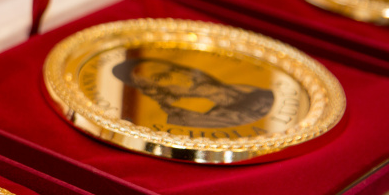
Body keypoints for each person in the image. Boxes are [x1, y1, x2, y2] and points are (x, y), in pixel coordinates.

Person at [111, 57, 274, 128]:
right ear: (157, 92)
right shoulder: (196, 120)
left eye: (176, 68)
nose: (184, 75)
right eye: (163, 77)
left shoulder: (254, 87)